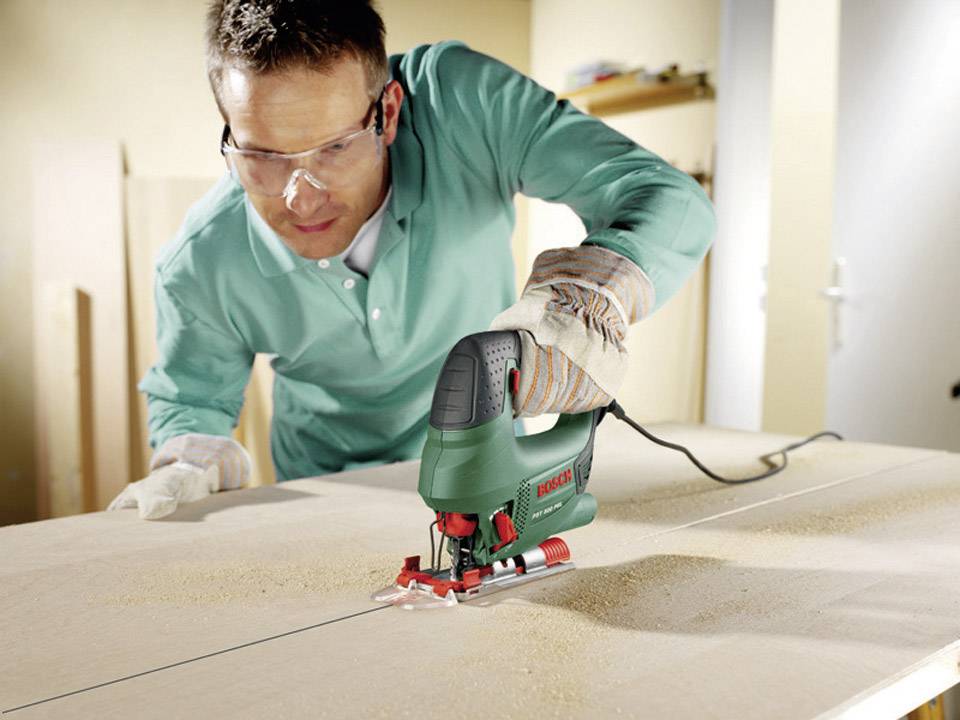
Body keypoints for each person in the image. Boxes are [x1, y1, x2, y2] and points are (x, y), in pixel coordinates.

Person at [109, 0, 715, 519]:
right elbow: (193, 398)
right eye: (262, 156)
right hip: (323, 492)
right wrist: (190, 454)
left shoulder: (465, 107)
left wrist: (590, 291)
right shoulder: (201, 262)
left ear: (389, 113)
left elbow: (668, 198)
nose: (301, 197)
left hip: (491, 468)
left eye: (334, 149)